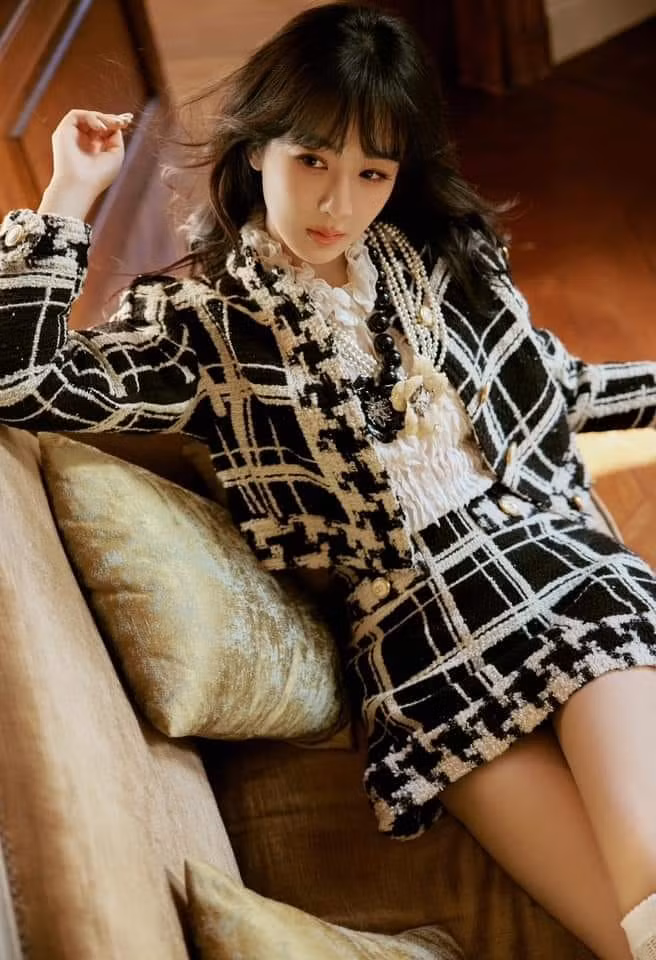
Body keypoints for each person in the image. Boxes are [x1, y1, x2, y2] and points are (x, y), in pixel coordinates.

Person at [1, 5, 655, 958]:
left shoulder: (447, 265)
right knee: (625, 935)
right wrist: (68, 194)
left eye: (372, 173)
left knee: (650, 873)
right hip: (422, 655)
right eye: (312, 159)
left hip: (557, 580)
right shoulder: (204, 328)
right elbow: (22, 381)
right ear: (258, 146)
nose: (337, 203)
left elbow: (556, 390)